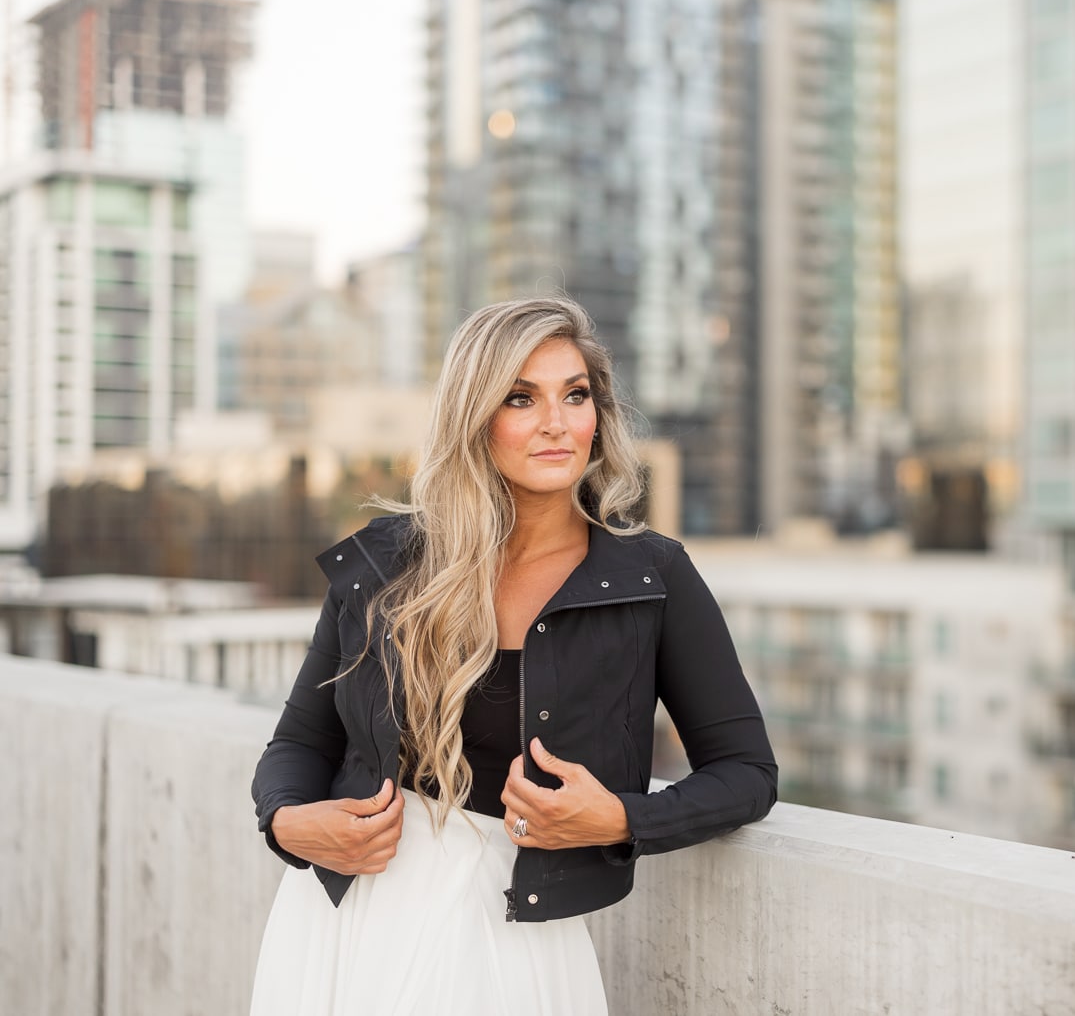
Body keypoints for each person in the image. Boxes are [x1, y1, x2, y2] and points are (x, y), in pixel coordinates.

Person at [249, 297, 778, 1015]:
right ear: (475, 416)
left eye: (576, 394)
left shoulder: (652, 576)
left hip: (513, 935)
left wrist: (623, 820)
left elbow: (747, 772)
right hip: (347, 919)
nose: (557, 422)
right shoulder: (389, 563)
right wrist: (286, 822)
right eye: (522, 397)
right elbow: (302, 740)